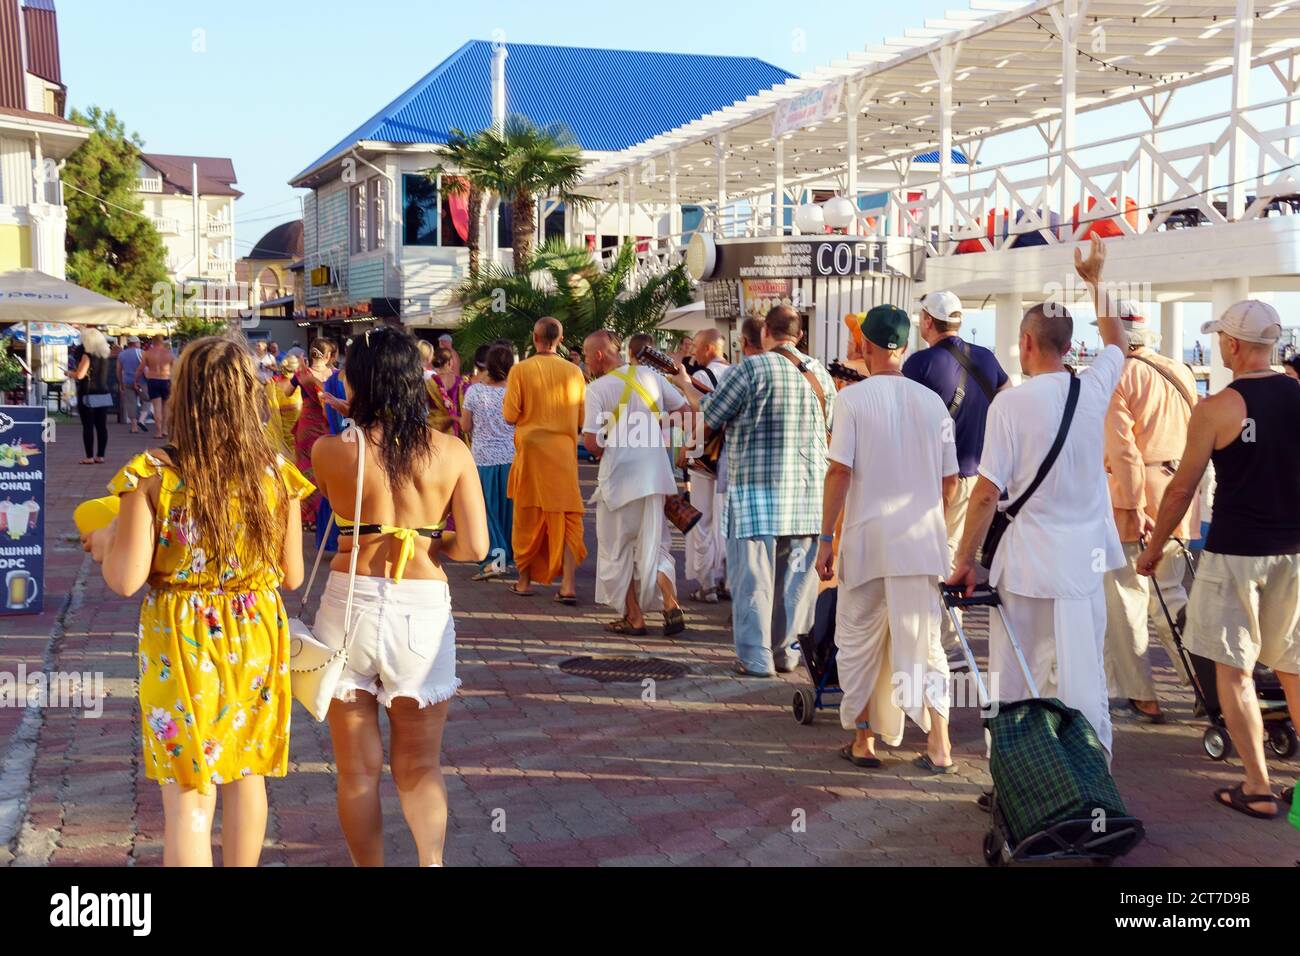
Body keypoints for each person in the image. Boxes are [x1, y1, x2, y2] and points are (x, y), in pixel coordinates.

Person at [83, 336, 311, 866]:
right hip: (255, 630)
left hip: (181, 636)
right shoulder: (276, 474)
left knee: (190, 789)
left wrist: (106, 541)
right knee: (247, 774)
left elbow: (125, 579)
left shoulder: (154, 474)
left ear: (184, 395)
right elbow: (293, 575)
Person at [312, 326, 488, 866]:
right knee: (419, 768)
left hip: (347, 604)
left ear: (359, 382)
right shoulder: (451, 451)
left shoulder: (329, 451)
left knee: (358, 773)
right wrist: (431, 538)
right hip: (420, 610)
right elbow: (477, 547)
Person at [948, 234, 1128, 762]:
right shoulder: (1093, 391)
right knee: (1083, 674)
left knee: (1015, 676)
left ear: (1027, 343)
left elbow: (985, 495)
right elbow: (1117, 336)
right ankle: (1091, 778)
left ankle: (1018, 778)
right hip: (1084, 564)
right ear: (1069, 347)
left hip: (1026, 566)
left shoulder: (1011, 405)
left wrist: (964, 562)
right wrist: (1097, 281)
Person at [1136, 299, 1300, 820]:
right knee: (1293, 667)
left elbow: (1182, 489)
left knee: (1233, 669)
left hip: (1235, 553)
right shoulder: (1298, 394)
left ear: (1232, 343)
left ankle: (1257, 786)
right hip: (1294, 552)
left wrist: (1154, 547)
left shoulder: (1217, 408)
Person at [816, 305, 958, 771]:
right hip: (919, 545)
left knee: (857, 640)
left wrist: (824, 539)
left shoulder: (852, 401)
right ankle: (940, 747)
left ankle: (864, 742)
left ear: (866, 348)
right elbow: (950, 482)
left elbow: (839, 471)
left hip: (868, 543)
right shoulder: (932, 402)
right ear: (905, 347)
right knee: (925, 644)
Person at [703, 305, 835, 677]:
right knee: (795, 588)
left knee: (753, 584)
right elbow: (832, 429)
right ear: (800, 335)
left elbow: (710, 418)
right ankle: (788, 654)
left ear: (765, 334)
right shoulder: (819, 375)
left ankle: (756, 659)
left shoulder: (748, 369)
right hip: (807, 500)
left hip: (754, 499)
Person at [1099, 301, 1198, 723]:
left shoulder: (1118, 376)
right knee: (1173, 595)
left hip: (1136, 497)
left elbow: (1123, 452)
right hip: (1180, 492)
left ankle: (1142, 694)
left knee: (1127, 596)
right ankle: (1205, 684)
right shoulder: (1182, 371)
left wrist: (1131, 506)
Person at [903, 292, 1009, 664]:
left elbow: (906, 420)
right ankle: (947, 638)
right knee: (957, 552)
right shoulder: (986, 357)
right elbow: (1007, 400)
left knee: (939, 555)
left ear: (929, 322)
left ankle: (947, 644)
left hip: (934, 476)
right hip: (978, 475)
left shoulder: (918, 364)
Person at [583, 330, 700, 634]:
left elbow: (592, 444)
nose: (585, 362)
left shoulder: (597, 390)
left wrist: (615, 435)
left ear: (598, 355)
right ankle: (671, 604)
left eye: (585, 355)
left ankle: (634, 617)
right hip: (656, 476)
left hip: (619, 480)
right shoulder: (651, 376)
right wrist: (654, 425)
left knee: (616, 549)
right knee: (656, 545)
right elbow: (685, 412)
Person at [503, 317, 587, 599]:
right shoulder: (574, 372)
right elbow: (581, 418)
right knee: (568, 515)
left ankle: (525, 581)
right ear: (560, 340)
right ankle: (568, 586)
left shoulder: (520, 370)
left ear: (534, 337)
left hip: (531, 452)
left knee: (526, 514)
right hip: (563, 451)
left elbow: (510, 415)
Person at [462, 343, 516, 580]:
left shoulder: (474, 392)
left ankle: (495, 559)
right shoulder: (514, 391)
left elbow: (465, 426)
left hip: (483, 458)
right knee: (506, 511)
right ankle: (506, 558)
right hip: (511, 457)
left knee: (486, 510)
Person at [685, 329, 731, 603]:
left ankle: (707, 582)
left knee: (701, 517)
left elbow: (697, 418)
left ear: (711, 348)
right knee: (724, 518)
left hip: (704, 455)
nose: (694, 354)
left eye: (698, 348)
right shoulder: (738, 372)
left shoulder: (701, 378)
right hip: (729, 455)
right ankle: (727, 578)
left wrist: (687, 448)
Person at [72, 327, 113, 464]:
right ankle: (100, 455)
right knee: (102, 426)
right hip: (103, 393)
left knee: (88, 426)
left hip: (88, 394)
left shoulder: (87, 355)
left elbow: (80, 375)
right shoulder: (105, 355)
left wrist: (69, 373)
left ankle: (89, 456)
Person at [426, 347, 469, 440]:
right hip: (458, 437)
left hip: (436, 434)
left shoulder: (428, 384)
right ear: (450, 362)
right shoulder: (462, 383)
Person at [137, 336, 175, 439]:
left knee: (156, 407)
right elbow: (175, 368)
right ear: (162, 342)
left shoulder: (148, 353)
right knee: (166, 407)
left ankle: (158, 432)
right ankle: (165, 430)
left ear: (153, 342)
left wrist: (136, 381)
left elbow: (140, 369)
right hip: (166, 380)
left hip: (153, 380)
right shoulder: (169, 353)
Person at [118, 336, 145, 432]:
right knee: (147, 400)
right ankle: (141, 419)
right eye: (139, 342)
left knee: (131, 403)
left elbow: (119, 370)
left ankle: (134, 427)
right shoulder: (142, 353)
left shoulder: (122, 355)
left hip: (127, 381)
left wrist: (121, 383)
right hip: (141, 382)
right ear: (136, 343)